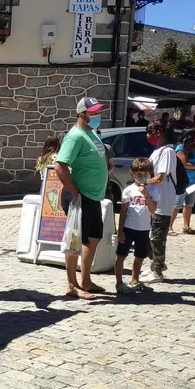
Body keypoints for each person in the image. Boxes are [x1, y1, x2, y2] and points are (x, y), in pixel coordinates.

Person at [54, 98, 111, 299]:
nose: (97, 116)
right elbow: (60, 165)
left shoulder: (91, 134)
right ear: (81, 114)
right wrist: (74, 191)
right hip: (80, 195)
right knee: (75, 240)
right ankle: (72, 284)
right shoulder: (75, 136)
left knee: (93, 237)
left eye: (98, 112)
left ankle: (85, 280)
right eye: (93, 113)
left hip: (93, 195)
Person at [115, 158, 158, 294]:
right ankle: (119, 283)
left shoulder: (152, 190)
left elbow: (152, 209)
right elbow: (123, 211)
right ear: (133, 174)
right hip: (129, 227)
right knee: (121, 255)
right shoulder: (128, 190)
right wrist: (120, 230)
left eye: (145, 175)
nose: (142, 177)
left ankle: (135, 280)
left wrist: (146, 195)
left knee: (140, 256)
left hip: (144, 229)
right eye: (139, 175)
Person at [143, 121, 177, 283]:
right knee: (151, 235)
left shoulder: (168, 152)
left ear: (159, 133)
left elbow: (159, 177)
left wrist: (141, 182)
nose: (147, 136)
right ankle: (155, 264)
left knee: (157, 237)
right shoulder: (158, 151)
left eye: (150, 132)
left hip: (163, 200)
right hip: (154, 199)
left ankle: (157, 270)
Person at [170, 129, 195, 235]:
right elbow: (184, 164)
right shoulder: (180, 149)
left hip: (193, 181)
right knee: (176, 205)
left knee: (189, 205)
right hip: (182, 181)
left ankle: (186, 226)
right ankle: (169, 227)